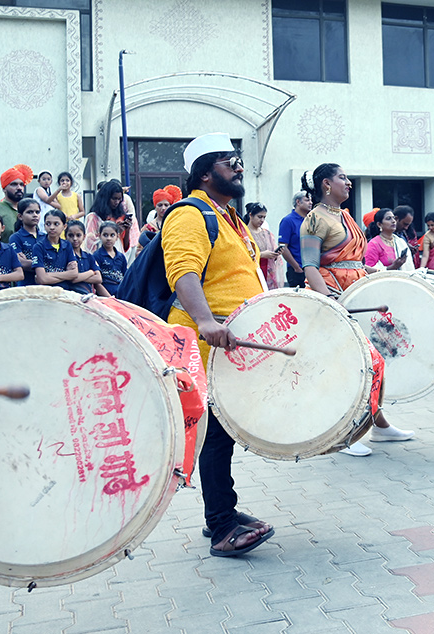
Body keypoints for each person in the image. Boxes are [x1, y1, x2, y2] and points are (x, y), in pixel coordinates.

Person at [160, 133, 274, 557]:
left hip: (231, 340)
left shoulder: (228, 216)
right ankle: (222, 525)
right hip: (203, 341)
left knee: (222, 432)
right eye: (230, 162)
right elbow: (183, 271)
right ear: (206, 174)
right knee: (215, 435)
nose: (238, 167)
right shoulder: (189, 214)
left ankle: (222, 511)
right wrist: (206, 320)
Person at [299, 163, 415, 455]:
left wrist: (375, 274)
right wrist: (332, 301)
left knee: (372, 361)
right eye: (342, 177)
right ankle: (342, 434)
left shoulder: (345, 216)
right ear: (326, 183)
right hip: (332, 295)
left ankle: (379, 424)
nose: (348, 182)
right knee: (345, 365)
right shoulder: (314, 219)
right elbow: (311, 265)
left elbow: (352, 262)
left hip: (353, 291)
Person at [85, 179, 140, 255]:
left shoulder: (120, 217)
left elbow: (125, 247)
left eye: (119, 199)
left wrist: (127, 230)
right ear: (105, 198)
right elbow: (89, 244)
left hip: (117, 259)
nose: (117, 202)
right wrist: (112, 232)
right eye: (114, 199)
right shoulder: (93, 217)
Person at [33, 209, 77, 289]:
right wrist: (66, 274)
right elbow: (42, 279)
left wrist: (48, 274)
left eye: (56, 224)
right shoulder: (38, 247)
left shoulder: (67, 245)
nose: (52, 227)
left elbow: (74, 274)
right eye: (48, 224)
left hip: (65, 291)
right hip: (45, 292)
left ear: (64, 226)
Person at [0, 164, 31, 241]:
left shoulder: (29, 209)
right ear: (4, 189)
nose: (19, 188)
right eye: (14, 184)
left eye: (21, 184)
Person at [244, 202, 284, 290]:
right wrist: (261, 255)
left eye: (264, 217)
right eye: (259, 217)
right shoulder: (244, 234)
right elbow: (242, 254)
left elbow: (273, 252)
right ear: (250, 215)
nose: (262, 220)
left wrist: (275, 254)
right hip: (252, 272)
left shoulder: (267, 233)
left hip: (268, 273)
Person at [277, 191, 311, 287]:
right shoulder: (288, 221)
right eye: (307, 200)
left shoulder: (311, 220)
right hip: (297, 270)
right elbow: (283, 247)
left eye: (311, 200)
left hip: (312, 269)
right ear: (298, 202)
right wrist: (297, 267)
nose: (311, 203)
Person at [65, 219, 107, 296]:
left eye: (78, 235)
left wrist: (79, 277)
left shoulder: (89, 256)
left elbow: (98, 278)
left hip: (88, 296)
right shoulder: (65, 256)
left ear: (84, 236)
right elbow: (73, 279)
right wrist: (90, 272)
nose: (75, 239)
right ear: (65, 237)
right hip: (72, 296)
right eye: (71, 235)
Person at [9, 198, 42, 285]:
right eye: (30, 212)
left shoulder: (46, 237)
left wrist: (31, 262)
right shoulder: (15, 237)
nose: (35, 215)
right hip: (25, 285)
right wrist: (44, 263)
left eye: (37, 212)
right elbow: (21, 263)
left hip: (45, 284)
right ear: (20, 216)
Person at [94, 221, 127, 296]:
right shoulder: (97, 256)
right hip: (104, 296)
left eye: (112, 235)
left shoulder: (121, 257)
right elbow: (97, 283)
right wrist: (109, 298)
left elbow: (126, 278)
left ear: (117, 237)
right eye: (105, 235)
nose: (108, 238)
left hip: (120, 294)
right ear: (99, 236)